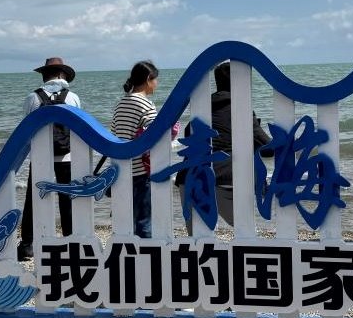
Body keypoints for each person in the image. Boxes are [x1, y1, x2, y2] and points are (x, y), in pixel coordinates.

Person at [176, 62, 273, 234]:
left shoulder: (202, 108)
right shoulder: (241, 108)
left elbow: (189, 135)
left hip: (189, 179)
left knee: (199, 240)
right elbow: (267, 149)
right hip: (223, 182)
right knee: (246, 232)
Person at [18, 57, 81, 261]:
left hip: (40, 156)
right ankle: (70, 241)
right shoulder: (72, 98)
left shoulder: (32, 98)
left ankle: (27, 245)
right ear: (62, 74)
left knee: (32, 199)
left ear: (44, 75)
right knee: (67, 198)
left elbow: (25, 130)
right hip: (66, 155)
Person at [110, 60, 166, 239]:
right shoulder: (146, 105)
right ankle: (145, 253)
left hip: (120, 169)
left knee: (126, 219)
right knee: (144, 220)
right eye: (155, 79)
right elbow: (155, 138)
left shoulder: (120, 104)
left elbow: (114, 134)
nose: (157, 84)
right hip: (140, 171)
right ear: (148, 79)